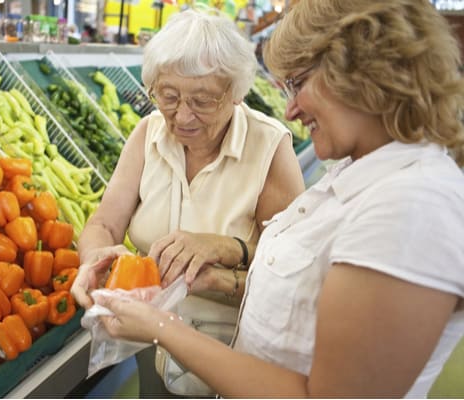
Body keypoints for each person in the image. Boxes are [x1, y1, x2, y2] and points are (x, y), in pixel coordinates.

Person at [95, 0, 464, 397]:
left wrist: (159, 327)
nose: (290, 109)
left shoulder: (413, 207)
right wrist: (215, 278)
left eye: (298, 83)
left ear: (362, 72)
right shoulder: (358, 176)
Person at [70, 8, 305, 397]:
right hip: (148, 344)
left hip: (234, 355)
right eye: (168, 96)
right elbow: (104, 225)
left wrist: (224, 249)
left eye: (203, 100)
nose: (182, 115)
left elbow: (292, 273)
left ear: (236, 93)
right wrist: (93, 258)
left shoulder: (269, 146)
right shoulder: (148, 133)